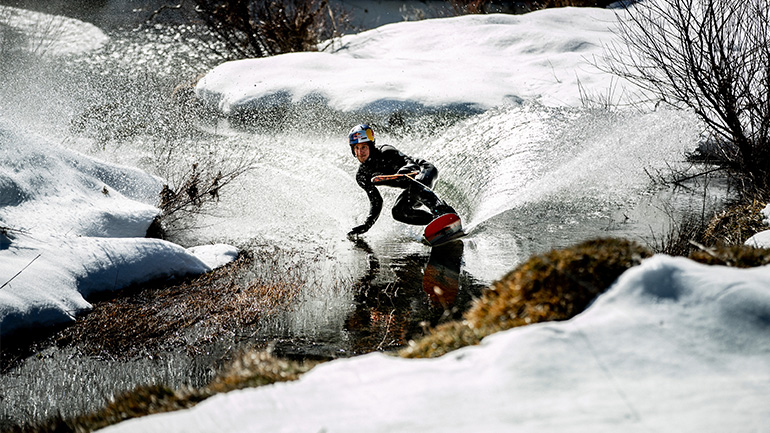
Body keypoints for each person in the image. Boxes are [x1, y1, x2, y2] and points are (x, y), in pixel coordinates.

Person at [347, 124, 456, 236]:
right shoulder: (362, 176)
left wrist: (402, 173)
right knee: (398, 212)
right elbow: (376, 201)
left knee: (412, 183)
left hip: (424, 171)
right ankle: (437, 223)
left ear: (370, 146)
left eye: (363, 147)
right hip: (413, 187)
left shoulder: (386, 152)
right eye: (357, 148)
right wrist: (367, 224)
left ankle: (442, 210)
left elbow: (413, 166)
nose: (360, 152)